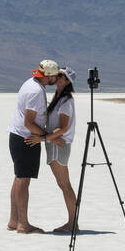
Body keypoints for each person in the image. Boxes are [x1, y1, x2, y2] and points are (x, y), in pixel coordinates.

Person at [7, 59, 59, 234]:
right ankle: (23, 224)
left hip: (18, 135)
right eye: (55, 76)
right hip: (26, 138)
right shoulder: (36, 91)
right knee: (23, 179)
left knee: (19, 177)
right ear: (49, 77)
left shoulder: (31, 83)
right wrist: (46, 137)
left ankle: (14, 221)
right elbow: (29, 122)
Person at [38, 66, 79, 234]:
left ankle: (72, 223)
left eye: (61, 75)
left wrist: (41, 139)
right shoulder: (58, 98)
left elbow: (62, 128)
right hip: (54, 144)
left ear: (67, 81)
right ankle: (72, 222)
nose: (57, 75)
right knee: (63, 184)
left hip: (57, 145)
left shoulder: (66, 101)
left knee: (65, 185)